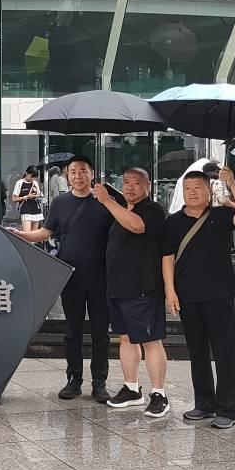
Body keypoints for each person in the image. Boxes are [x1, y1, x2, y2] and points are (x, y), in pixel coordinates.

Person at [13, 156, 116, 403]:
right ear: (67, 176)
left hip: (101, 277)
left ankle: (99, 383)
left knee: (101, 332)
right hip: (71, 275)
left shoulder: (105, 202)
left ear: (92, 174)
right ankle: (74, 380)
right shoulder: (60, 203)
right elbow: (45, 232)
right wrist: (22, 235)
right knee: (73, 330)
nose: (78, 176)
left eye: (83, 171)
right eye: (73, 172)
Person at [162, 168, 235, 429]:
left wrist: (232, 185)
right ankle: (204, 403)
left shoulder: (221, 215)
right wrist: (170, 290)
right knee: (197, 351)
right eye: (187, 188)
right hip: (188, 295)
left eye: (197, 188)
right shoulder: (173, 222)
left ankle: (227, 409)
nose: (192, 193)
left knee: (225, 352)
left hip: (219, 294)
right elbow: (167, 257)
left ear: (208, 190)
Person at [96, 167, 170, 418]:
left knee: (150, 340)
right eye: (126, 182)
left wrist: (107, 201)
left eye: (136, 182)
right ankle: (131, 388)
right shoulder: (122, 210)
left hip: (142, 288)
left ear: (148, 185)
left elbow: (137, 227)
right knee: (126, 338)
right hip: (117, 287)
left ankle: (159, 394)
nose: (129, 186)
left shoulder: (153, 210)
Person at [13, 166, 44, 231]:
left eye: (34, 177)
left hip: (36, 211)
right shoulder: (19, 183)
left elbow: (38, 195)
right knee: (27, 234)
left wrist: (38, 196)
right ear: (26, 173)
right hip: (26, 211)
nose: (32, 179)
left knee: (34, 235)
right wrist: (26, 197)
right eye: (31, 176)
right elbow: (14, 199)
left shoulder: (35, 183)